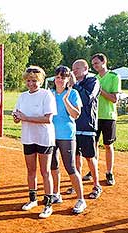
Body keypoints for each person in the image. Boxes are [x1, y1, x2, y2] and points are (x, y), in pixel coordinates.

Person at [13, 66, 57, 218]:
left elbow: (48, 118)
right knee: (31, 171)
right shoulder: (22, 96)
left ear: (40, 81)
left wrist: (25, 117)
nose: (31, 83)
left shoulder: (47, 95)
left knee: (45, 171)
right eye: (28, 80)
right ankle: (33, 199)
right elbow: (17, 117)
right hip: (28, 137)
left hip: (44, 138)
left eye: (34, 81)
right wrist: (17, 118)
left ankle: (48, 204)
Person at [50, 65, 85, 214]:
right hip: (50, 134)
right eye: (57, 77)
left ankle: (81, 199)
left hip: (66, 135)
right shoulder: (49, 93)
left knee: (70, 167)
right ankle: (56, 194)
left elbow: (76, 114)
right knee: (53, 166)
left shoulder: (73, 93)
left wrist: (65, 99)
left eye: (63, 77)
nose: (59, 80)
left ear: (68, 79)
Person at [72, 59, 102, 200]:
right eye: (73, 68)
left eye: (77, 68)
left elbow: (87, 99)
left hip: (87, 125)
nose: (74, 71)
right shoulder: (72, 84)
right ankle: (76, 185)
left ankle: (96, 186)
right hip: (73, 126)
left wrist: (75, 86)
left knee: (90, 157)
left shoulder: (93, 81)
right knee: (75, 158)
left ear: (85, 68)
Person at [89, 53, 121, 186]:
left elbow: (114, 99)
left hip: (108, 116)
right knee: (93, 145)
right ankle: (93, 170)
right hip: (94, 116)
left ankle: (109, 172)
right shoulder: (94, 78)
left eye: (96, 63)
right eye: (93, 64)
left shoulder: (114, 77)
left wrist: (100, 90)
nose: (94, 66)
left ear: (104, 62)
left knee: (108, 145)